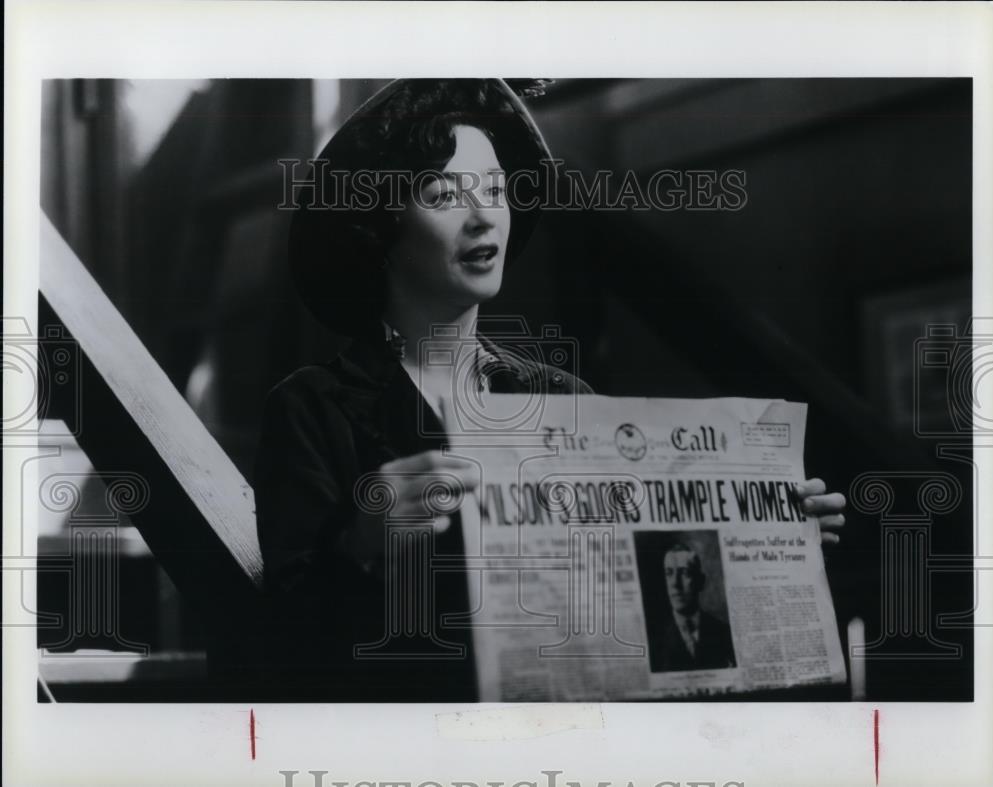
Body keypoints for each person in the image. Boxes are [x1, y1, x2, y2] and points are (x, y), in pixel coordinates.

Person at [253, 79, 846, 701]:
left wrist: (768, 543)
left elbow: (646, 602)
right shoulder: (314, 409)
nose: (483, 215)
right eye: (443, 193)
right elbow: (286, 656)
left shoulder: (564, 398)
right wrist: (363, 544)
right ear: (381, 223)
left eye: (496, 189)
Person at [647, 542, 736, 673]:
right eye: (669, 573)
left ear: (700, 581)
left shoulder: (725, 633)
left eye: (685, 573)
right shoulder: (653, 639)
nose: (675, 583)